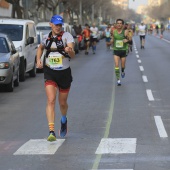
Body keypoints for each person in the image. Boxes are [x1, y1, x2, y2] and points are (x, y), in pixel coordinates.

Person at [36, 15, 75, 142]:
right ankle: (51, 131)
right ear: (50, 24)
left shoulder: (67, 36)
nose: (58, 27)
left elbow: (73, 55)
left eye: (60, 25)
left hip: (64, 73)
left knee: (62, 103)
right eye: (56, 24)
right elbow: (40, 48)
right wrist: (38, 60)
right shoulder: (45, 37)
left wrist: (69, 50)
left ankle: (64, 119)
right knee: (51, 100)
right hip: (50, 72)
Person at [110, 19, 128, 86]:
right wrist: (111, 40)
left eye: (120, 23)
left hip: (123, 51)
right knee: (116, 65)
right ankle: (118, 79)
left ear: (122, 25)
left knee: (122, 65)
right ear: (116, 24)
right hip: (116, 50)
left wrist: (127, 40)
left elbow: (129, 40)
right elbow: (112, 39)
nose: (119, 24)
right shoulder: (114, 31)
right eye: (118, 23)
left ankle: (122, 71)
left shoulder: (125, 32)